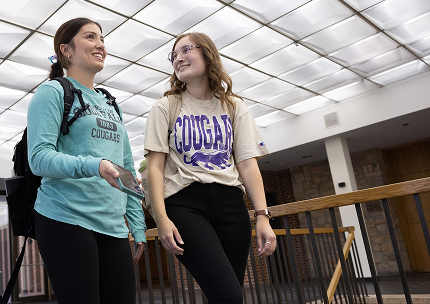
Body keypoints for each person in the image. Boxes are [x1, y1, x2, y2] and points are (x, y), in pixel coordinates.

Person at [144, 32, 277, 304]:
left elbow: (247, 164)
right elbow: (154, 169)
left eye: (186, 50)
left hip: (231, 205)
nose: (178, 58)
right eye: (174, 55)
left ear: (207, 53)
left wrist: (262, 216)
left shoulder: (233, 106)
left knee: (227, 294)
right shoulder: (166, 106)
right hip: (185, 204)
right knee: (227, 294)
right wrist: (161, 219)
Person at [27, 17, 147, 303]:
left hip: (113, 225)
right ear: (66, 50)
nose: (101, 44)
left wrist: (137, 225)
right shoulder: (53, 92)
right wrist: (94, 164)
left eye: (102, 39)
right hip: (66, 217)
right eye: (91, 37)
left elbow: (126, 167)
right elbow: (39, 158)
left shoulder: (109, 102)